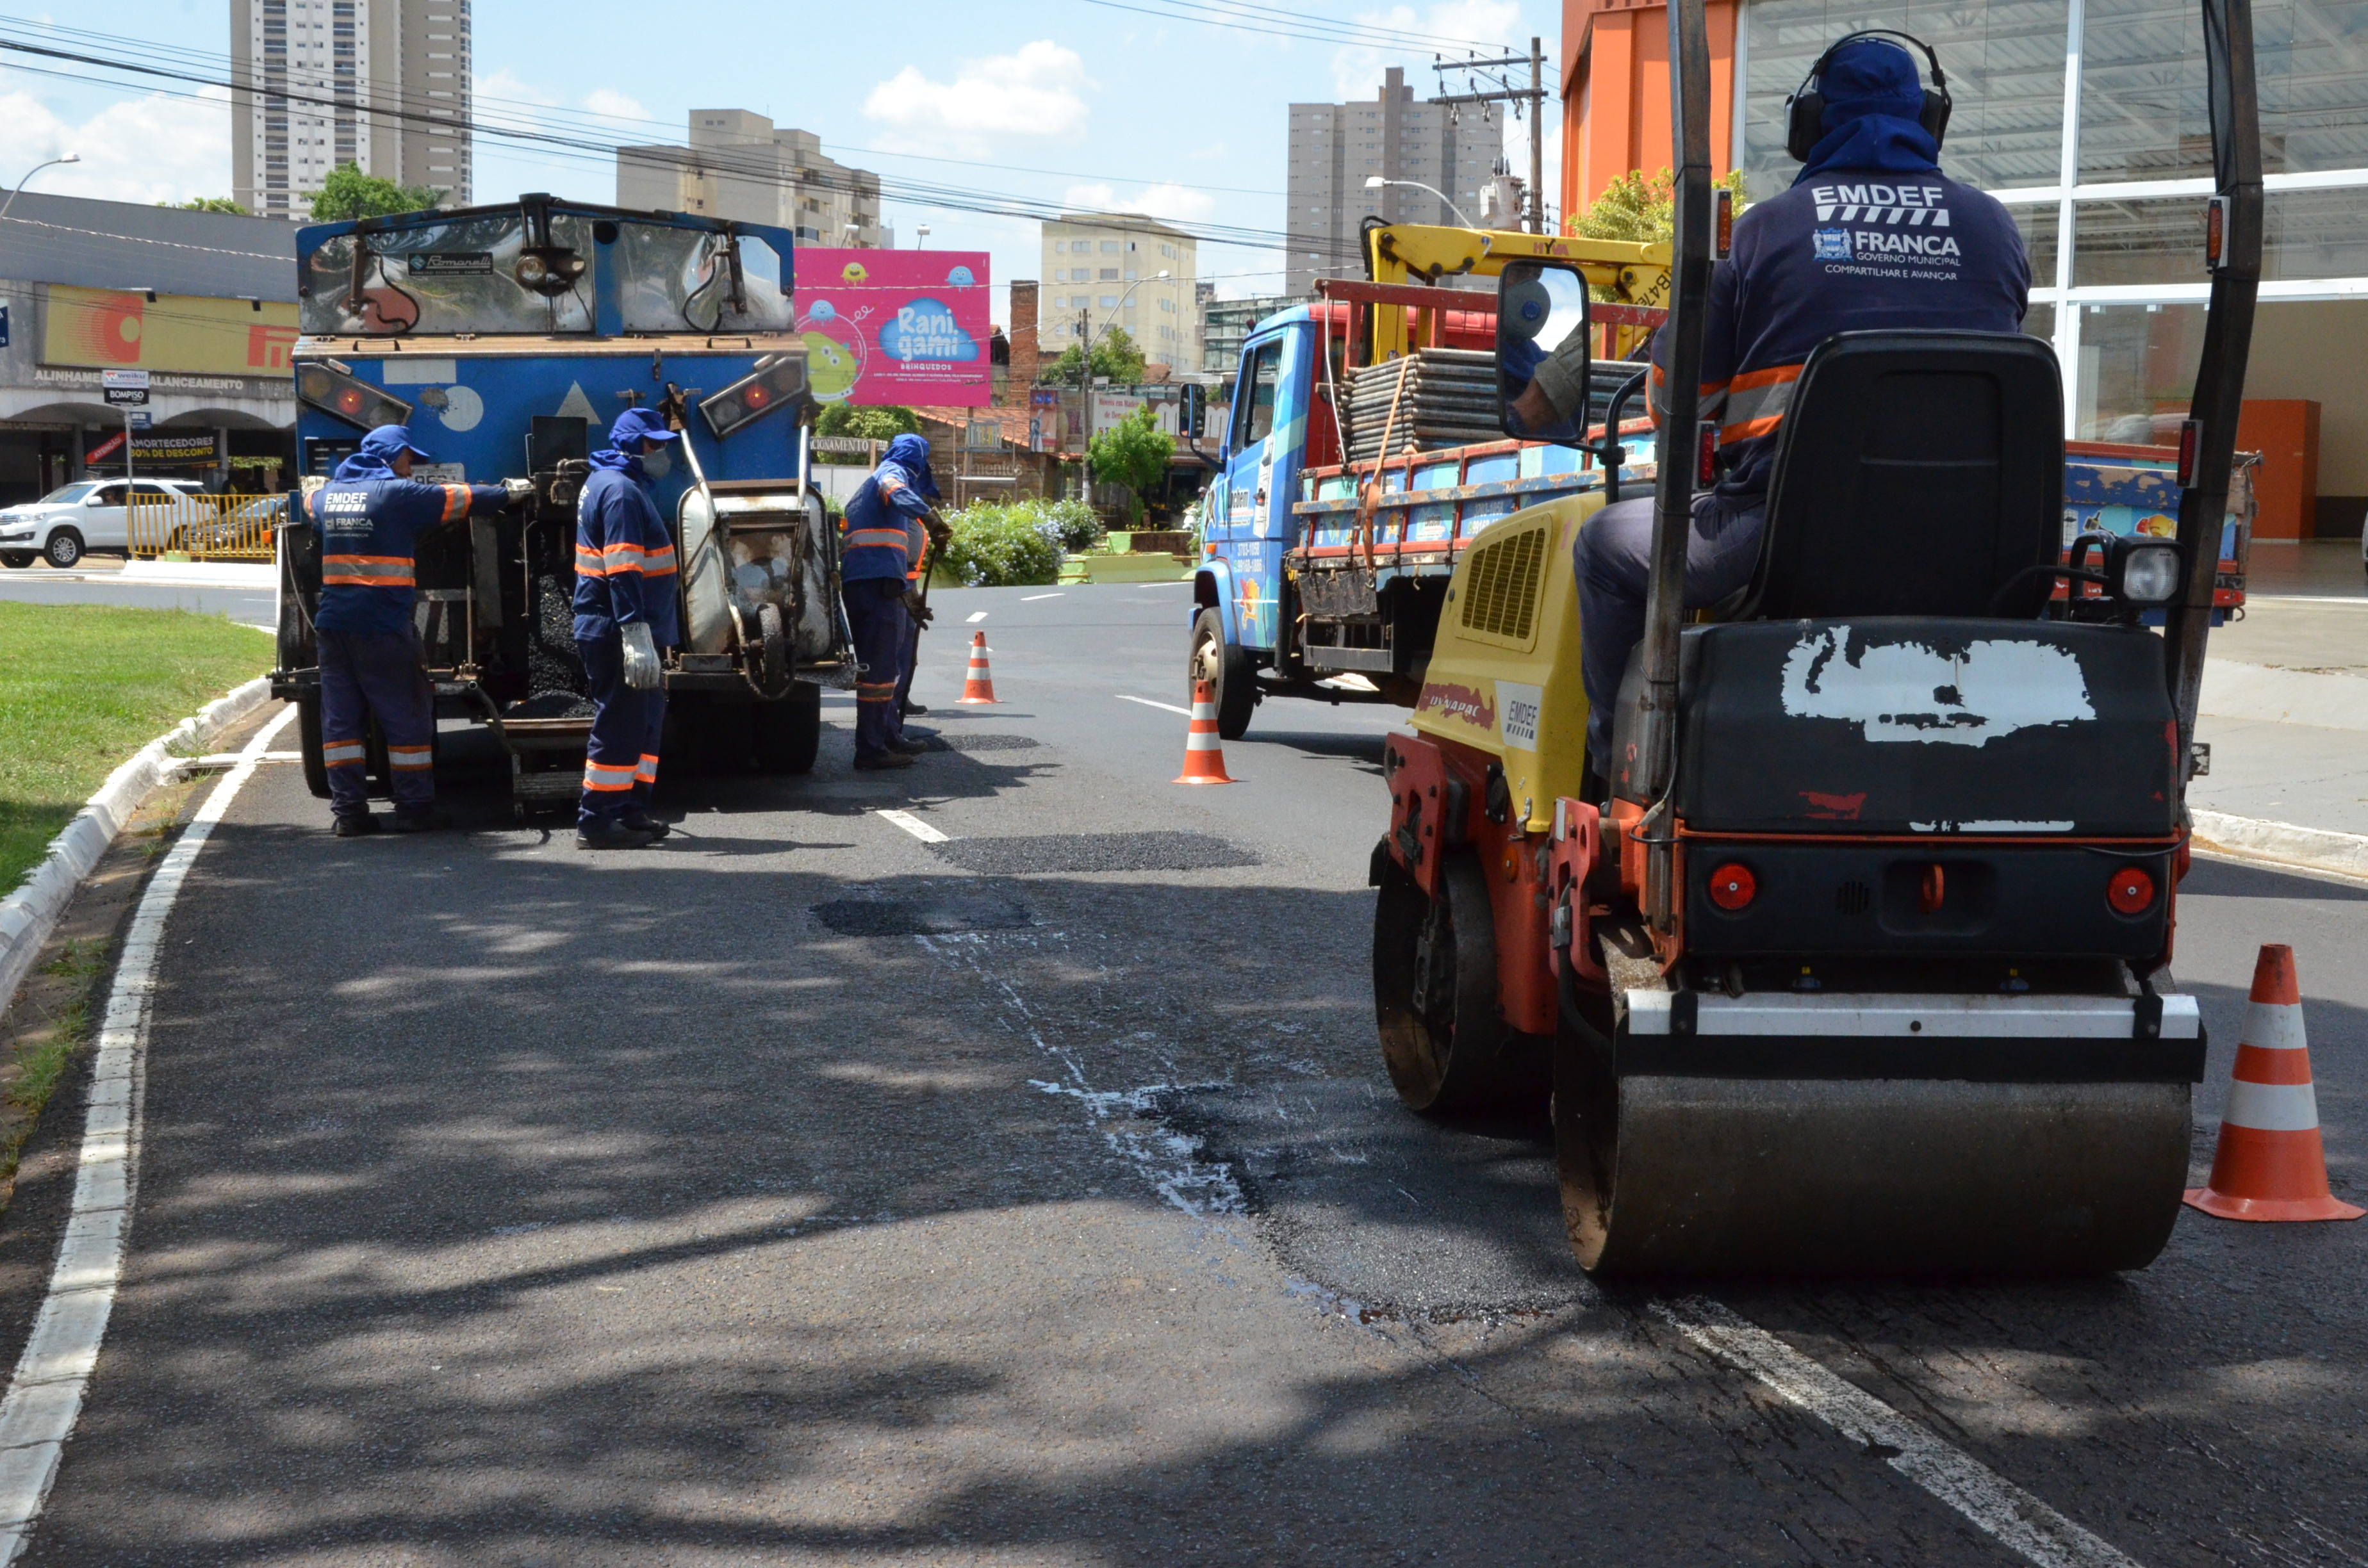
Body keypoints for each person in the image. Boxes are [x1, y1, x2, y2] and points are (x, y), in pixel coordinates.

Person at [1565, 35, 2031, 779]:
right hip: (1971, 548)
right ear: (1929, 120)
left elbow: (1670, 403)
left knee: (1602, 548)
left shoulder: (1761, 233)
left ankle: (1619, 765)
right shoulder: (1994, 228)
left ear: (1810, 123)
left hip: (1780, 542)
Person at [307, 424, 521, 837]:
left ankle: (349, 814)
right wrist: (510, 491)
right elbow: (462, 498)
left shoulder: (329, 497)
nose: (412, 467)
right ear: (392, 455)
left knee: (341, 723)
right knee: (405, 716)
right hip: (381, 626)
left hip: (333, 627)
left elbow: (310, 506)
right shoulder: (397, 495)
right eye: (408, 458)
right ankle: (415, 809)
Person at [573, 407, 682, 850]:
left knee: (644, 721)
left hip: (631, 625)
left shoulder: (615, 484)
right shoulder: (619, 491)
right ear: (633, 446)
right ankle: (597, 820)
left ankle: (631, 809)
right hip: (619, 627)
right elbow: (622, 566)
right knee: (620, 722)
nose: (660, 453)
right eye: (654, 445)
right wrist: (634, 630)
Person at [839, 433, 950, 770]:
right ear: (915, 460)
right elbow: (896, 489)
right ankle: (871, 749)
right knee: (881, 673)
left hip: (873, 586)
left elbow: (885, 558)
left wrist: (910, 599)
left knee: (883, 667)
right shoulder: (892, 472)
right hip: (875, 589)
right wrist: (930, 517)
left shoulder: (866, 495)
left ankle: (886, 737)